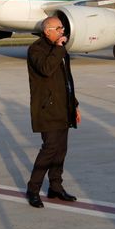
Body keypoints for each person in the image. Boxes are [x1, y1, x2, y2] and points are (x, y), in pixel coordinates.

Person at [25, 16, 80, 208]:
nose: (62, 31)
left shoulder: (60, 49)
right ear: (47, 30)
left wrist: (74, 105)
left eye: (62, 28)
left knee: (60, 151)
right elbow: (46, 69)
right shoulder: (36, 49)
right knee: (49, 149)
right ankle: (33, 189)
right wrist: (58, 48)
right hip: (47, 109)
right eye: (58, 28)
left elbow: (66, 81)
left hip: (63, 108)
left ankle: (56, 187)